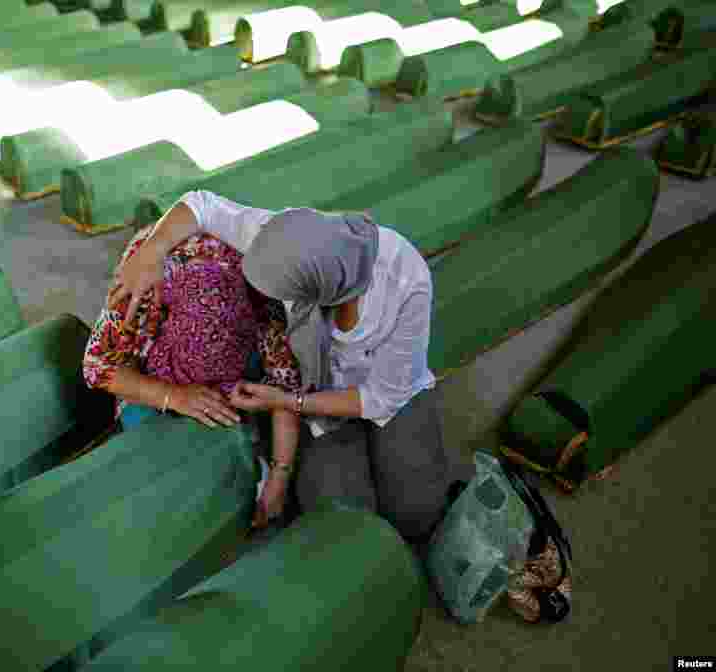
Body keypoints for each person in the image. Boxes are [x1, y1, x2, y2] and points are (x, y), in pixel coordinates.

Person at [110, 191, 472, 544]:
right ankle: (350, 452)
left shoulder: (406, 280)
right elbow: (201, 205)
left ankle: (391, 457)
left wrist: (287, 402)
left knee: (416, 516)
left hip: (387, 395)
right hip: (317, 395)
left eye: (282, 296)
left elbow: (381, 397)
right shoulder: (280, 238)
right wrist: (151, 251)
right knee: (342, 524)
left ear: (317, 289)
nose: (268, 307)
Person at [83, 222, 302, 528]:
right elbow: (96, 366)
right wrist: (172, 396)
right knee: (154, 470)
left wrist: (278, 481)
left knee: (233, 452)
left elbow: (285, 391)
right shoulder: (140, 292)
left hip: (232, 317)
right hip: (153, 355)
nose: (208, 391)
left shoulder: (265, 298)